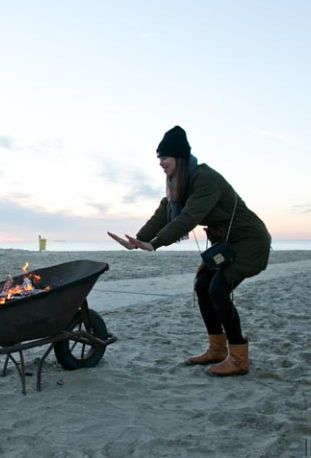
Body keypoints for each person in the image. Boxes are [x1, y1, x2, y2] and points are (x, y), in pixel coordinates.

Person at [108, 125, 271, 376]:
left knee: (218, 289)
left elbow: (189, 217)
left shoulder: (204, 179)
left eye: (165, 157)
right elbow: (164, 212)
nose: (161, 163)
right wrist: (138, 240)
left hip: (249, 241)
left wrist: (156, 243)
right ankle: (217, 348)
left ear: (180, 157)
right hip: (227, 243)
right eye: (159, 158)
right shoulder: (178, 183)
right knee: (202, 285)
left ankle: (238, 356)